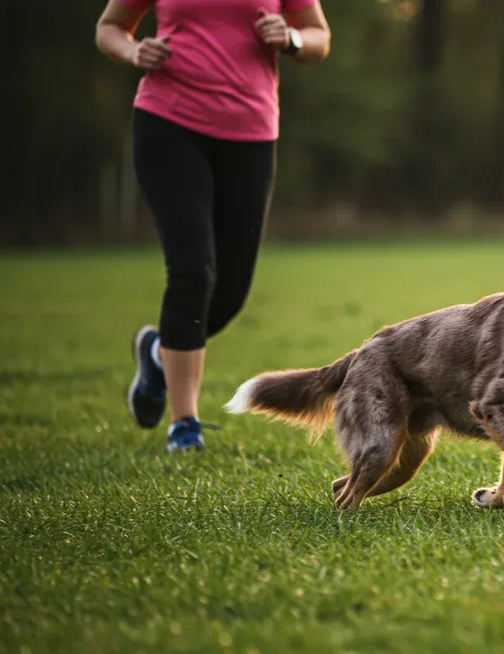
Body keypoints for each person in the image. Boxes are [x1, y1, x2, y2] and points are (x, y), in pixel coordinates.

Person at [95, 0, 331, 451]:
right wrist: (133, 52)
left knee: (231, 290)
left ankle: (157, 351)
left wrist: (292, 39)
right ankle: (185, 424)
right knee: (192, 271)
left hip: (252, 135)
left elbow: (319, 39)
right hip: (168, 124)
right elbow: (109, 28)